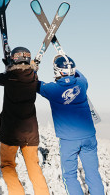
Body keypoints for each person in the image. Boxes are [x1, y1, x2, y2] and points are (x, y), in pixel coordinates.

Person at [0, 47, 50, 195]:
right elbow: (29, 70)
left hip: (10, 132)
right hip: (30, 132)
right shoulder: (33, 77)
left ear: (13, 60)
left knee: (7, 166)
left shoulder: (9, 77)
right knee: (34, 168)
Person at [37, 54, 104, 195]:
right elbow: (79, 74)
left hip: (69, 140)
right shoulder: (82, 84)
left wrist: (34, 68)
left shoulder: (51, 89)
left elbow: (32, 82)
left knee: (70, 176)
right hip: (89, 137)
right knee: (93, 174)